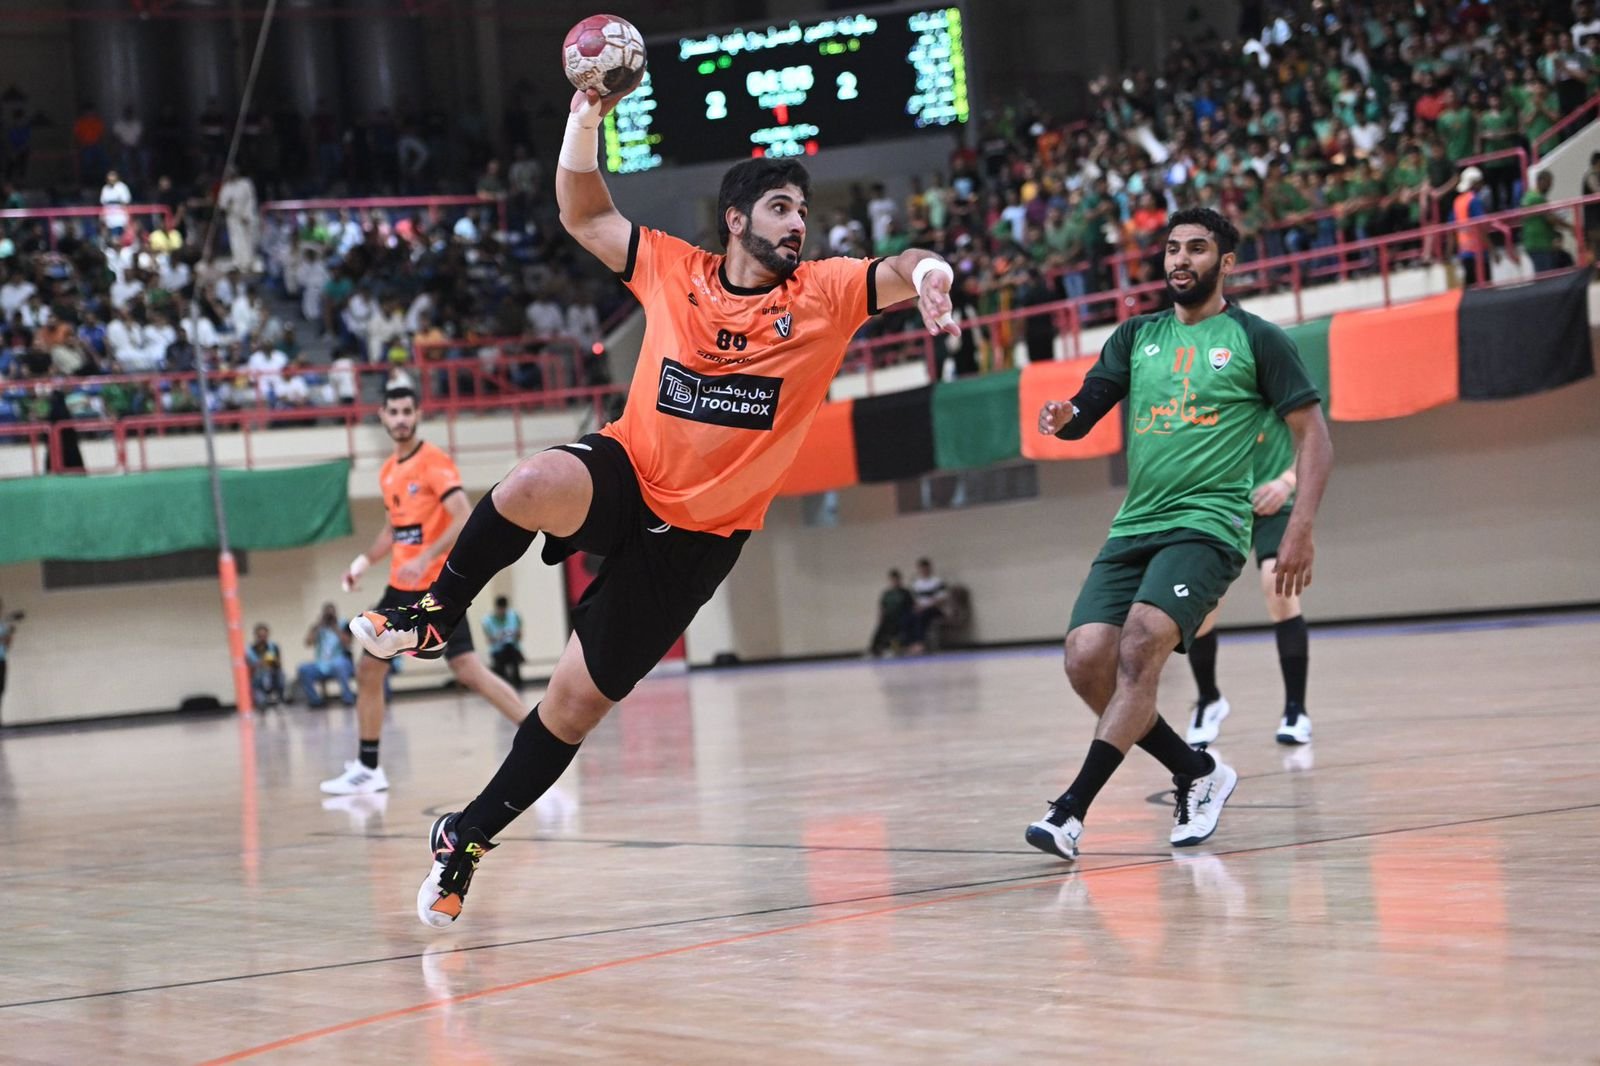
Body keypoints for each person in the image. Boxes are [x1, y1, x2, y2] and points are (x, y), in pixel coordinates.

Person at [348, 78, 959, 928]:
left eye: (803, 212)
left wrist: (930, 272)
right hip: (629, 473)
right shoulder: (677, 269)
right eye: (781, 208)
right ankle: (432, 612)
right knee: (526, 484)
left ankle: (467, 837)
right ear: (736, 219)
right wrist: (583, 118)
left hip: (698, 540)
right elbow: (584, 214)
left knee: (571, 708)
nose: (798, 224)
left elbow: (894, 268)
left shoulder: (822, 294)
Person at [1025, 207, 1331, 863]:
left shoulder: (1257, 338)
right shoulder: (1137, 336)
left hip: (1209, 525)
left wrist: (1300, 526)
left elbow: (1315, 437)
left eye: (1196, 248)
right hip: (1136, 524)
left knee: (1140, 644)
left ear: (1226, 262)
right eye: (1172, 249)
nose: (1180, 260)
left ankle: (1070, 810)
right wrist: (1065, 414)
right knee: (1086, 659)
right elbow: (1089, 404)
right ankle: (1195, 771)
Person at [322, 384, 530, 796]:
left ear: (417, 415)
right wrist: (362, 564)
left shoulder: (434, 462)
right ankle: (368, 768)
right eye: (394, 412)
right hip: (399, 588)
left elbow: (463, 516)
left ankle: (541, 739)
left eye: (407, 411)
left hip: (437, 589)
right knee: (369, 670)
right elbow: (393, 531)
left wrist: (426, 557)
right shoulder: (388, 471)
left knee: (467, 669)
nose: (401, 419)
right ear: (383, 416)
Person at [1185, 411, 1314, 747]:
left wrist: (1287, 481)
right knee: (1202, 605)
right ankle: (1209, 699)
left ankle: (1296, 710)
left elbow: (1314, 439)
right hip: (1223, 508)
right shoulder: (1204, 397)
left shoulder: (1277, 390)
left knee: (1279, 587)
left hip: (1275, 504)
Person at [297, 602, 357, 708]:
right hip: (321, 664)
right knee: (303, 669)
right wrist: (317, 627)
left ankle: (348, 698)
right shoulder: (318, 627)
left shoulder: (343, 624)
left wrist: (335, 628)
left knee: (339, 665)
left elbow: (347, 643)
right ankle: (315, 701)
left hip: (340, 661)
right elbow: (308, 643)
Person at [908, 557, 951, 653]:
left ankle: (920, 643)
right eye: (921, 569)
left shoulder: (937, 581)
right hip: (922, 609)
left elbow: (942, 599)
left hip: (935, 609)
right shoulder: (916, 584)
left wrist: (925, 607)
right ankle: (910, 643)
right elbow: (916, 600)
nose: (924, 571)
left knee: (922, 615)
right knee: (908, 617)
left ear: (929, 569)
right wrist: (917, 607)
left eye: (925, 568)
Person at [481, 596, 525, 690]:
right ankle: (504, 685)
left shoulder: (514, 616)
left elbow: (520, 636)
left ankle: (517, 685)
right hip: (498, 651)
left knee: (513, 659)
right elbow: (489, 640)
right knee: (500, 671)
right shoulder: (487, 620)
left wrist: (513, 634)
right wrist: (498, 637)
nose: (502, 612)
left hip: (512, 648)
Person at [868, 569, 913, 657]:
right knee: (880, 630)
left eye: (896, 580)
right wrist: (880, 617)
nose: (895, 582)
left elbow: (910, 606)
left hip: (901, 616)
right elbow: (882, 607)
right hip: (888, 617)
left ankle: (896, 648)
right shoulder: (887, 594)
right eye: (893, 580)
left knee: (896, 630)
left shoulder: (905, 593)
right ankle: (874, 650)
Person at [245, 623, 286, 708]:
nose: (262, 638)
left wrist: (268, 661)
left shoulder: (273, 646)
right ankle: (265, 698)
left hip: (273, 674)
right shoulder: (250, 649)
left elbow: (278, 663)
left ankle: (277, 697)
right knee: (261, 704)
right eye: (260, 636)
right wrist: (266, 660)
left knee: (281, 675)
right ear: (256, 636)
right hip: (257, 678)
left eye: (264, 636)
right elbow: (253, 666)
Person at [0, 598, 20, 725]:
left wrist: (10, 634)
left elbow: (7, 646)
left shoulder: (3, 626)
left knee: (1, 689)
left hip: (1, 660)